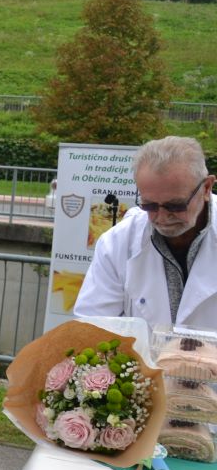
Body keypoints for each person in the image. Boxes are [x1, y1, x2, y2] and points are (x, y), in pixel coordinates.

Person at [75, 136, 216, 327]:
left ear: (206, 188)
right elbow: (92, 325)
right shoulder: (117, 243)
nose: (162, 217)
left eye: (175, 205)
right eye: (149, 205)